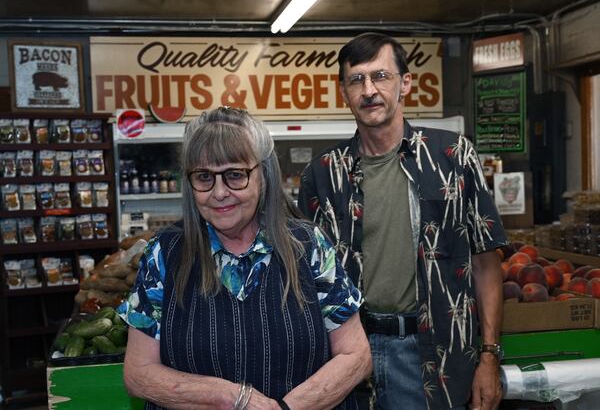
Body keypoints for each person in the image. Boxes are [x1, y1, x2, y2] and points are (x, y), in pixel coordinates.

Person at [298, 33, 508, 410]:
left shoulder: (452, 157)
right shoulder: (323, 174)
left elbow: (485, 262)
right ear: (342, 91)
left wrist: (490, 356)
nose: (369, 90)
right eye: (356, 79)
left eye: (381, 76)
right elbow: (309, 278)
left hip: (429, 354)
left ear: (405, 83)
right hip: (347, 354)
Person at [118, 107, 372, 410]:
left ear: (263, 176)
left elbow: (355, 356)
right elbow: (138, 374)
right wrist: (234, 398)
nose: (220, 192)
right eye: (204, 177)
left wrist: (286, 409)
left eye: (235, 175)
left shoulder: (308, 246)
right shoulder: (164, 254)